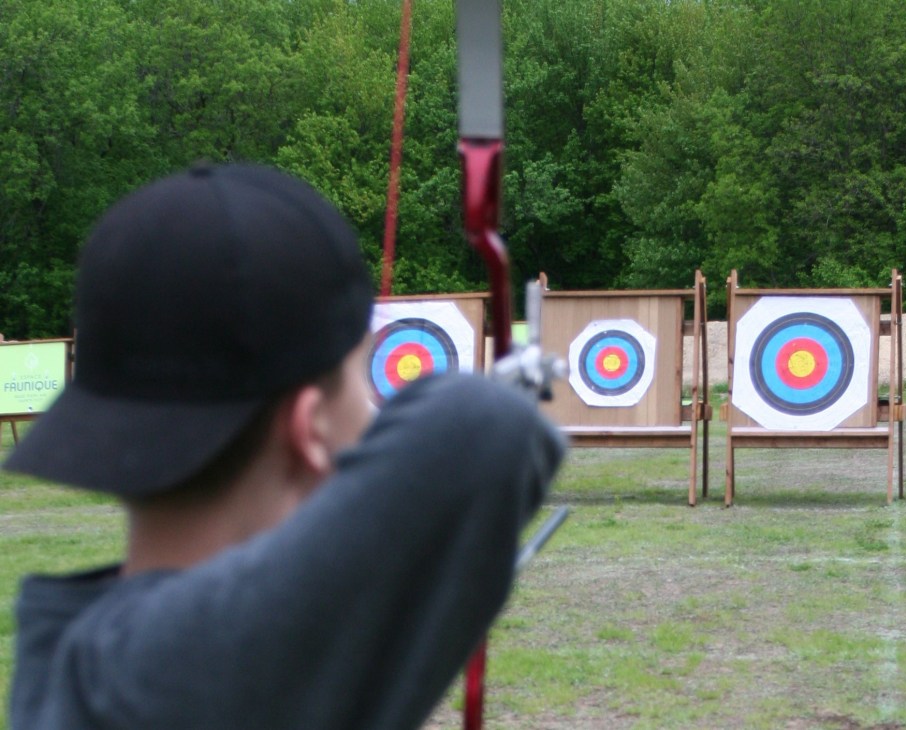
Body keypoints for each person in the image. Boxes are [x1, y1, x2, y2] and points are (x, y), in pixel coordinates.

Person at [4, 163, 566, 729]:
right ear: (310, 426)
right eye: (362, 383)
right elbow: (480, 429)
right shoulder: (191, 665)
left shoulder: (69, 646)